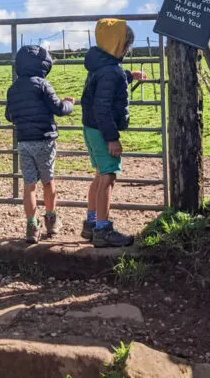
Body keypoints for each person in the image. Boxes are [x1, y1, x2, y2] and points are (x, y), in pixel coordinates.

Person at [80, 19, 147, 248]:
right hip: (102, 130)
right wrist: (112, 139)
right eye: (126, 44)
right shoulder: (110, 72)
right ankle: (102, 229)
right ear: (118, 44)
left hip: (90, 127)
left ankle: (91, 223)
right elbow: (103, 106)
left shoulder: (100, 65)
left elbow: (108, 81)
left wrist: (128, 75)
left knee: (99, 174)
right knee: (108, 177)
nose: (128, 48)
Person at [5, 44, 75, 244]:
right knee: (48, 181)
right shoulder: (43, 85)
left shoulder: (13, 88)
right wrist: (70, 103)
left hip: (25, 142)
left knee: (29, 186)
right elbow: (59, 108)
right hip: (45, 140)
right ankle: (51, 221)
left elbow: (9, 115)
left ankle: (32, 226)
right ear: (44, 65)